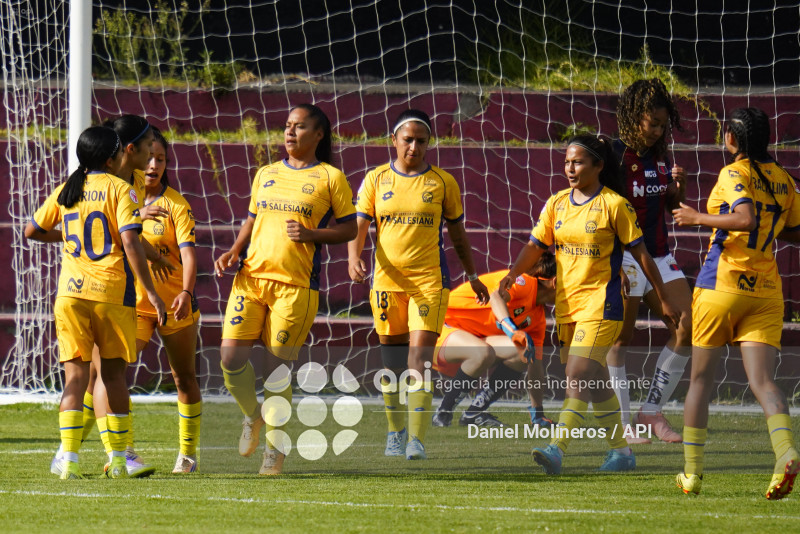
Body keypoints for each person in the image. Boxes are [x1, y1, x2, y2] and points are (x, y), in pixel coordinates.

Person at [499, 134, 681, 474]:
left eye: (578, 161)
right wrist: (512, 274)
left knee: (577, 374)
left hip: (604, 304)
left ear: (598, 166)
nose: (570, 168)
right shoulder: (556, 204)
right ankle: (622, 453)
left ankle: (557, 449)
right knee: (596, 382)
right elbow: (535, 246)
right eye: (567, 161)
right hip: (569, 306)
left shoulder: (615, 205)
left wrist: (665, 299)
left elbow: (642, 255)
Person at [215, 104, 357, 475]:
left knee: (276, 371)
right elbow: (251, 219)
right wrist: (234, 250)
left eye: (299, 127)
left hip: (296, 287)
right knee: (230, 359)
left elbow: (350, 229)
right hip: (250, 279)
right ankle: (253, 415)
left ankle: (274, 450)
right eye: (287, 126)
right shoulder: (266, 173)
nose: (290, 132)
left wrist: (312, 234)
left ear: (319, 134)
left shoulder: (330, 178)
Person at [672, 107, 800, 499]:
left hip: (721, 286)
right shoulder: (784, 180)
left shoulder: (734, 172)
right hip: (764, 291)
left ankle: (691, 474)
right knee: (763, 382)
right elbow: (794, 231)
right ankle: (787, 452)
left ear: (731, 138)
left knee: (699, 381)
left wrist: (695, 217)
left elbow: (744, 219)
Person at [348, 109, 490, 460]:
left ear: (429, 144)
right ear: (393, 141)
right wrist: (354, 257)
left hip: (429, 282)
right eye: (407, 139)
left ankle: (416, 439)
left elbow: (458, 235)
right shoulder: (376, 179)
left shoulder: (442, 183)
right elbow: (360, 226)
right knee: (393, 364)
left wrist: (472, 276)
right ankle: (395, 432)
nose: (414, 146)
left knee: (419, 359)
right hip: (386, 283)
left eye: (421, 141)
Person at [25, 126, 166, 479]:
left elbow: (32, 231)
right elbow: (131, 244)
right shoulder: (121, 189)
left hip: (70, 295)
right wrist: (151, 291)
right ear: (112, 157)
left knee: (75, 379)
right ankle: (120, 460)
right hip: (111, 294)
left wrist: (69, 237)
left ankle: (68, 461)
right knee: (114, 377)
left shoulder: (66, 189)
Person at [606, 78, 693, 444]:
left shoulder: (661, 154)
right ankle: (622, 423)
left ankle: (651, 411)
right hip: (624, 256)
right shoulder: (612, 154)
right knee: (619, 341)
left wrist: (679, 190)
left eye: (662, 125)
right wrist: (612, 267)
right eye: (652, 123)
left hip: (659, 253)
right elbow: (603, 210)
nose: (657, 131)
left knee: (688, 328)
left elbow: (670, 205)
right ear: (632, 117)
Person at [134, 127, 202, 474]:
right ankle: (118, 450)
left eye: (161, 158)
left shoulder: (177, 205)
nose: (154, 164)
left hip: (174, 302)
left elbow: (189, 256)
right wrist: (135, 216)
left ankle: (187, 454)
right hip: (134, 303)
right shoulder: (122, 196)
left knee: (183, 377)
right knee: (112, 369)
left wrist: (187, 293)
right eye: (148, 157)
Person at [431, 252, 557, 428]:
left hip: (471, 346)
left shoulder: (538, 319)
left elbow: (534, 366)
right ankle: (442, 414)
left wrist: (538, 413)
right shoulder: (525, 282)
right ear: (555, 282)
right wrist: (512, 331)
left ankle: (473, 413)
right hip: (437, 331)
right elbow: (496, 296)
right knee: (482, 352)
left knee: (524, 351)